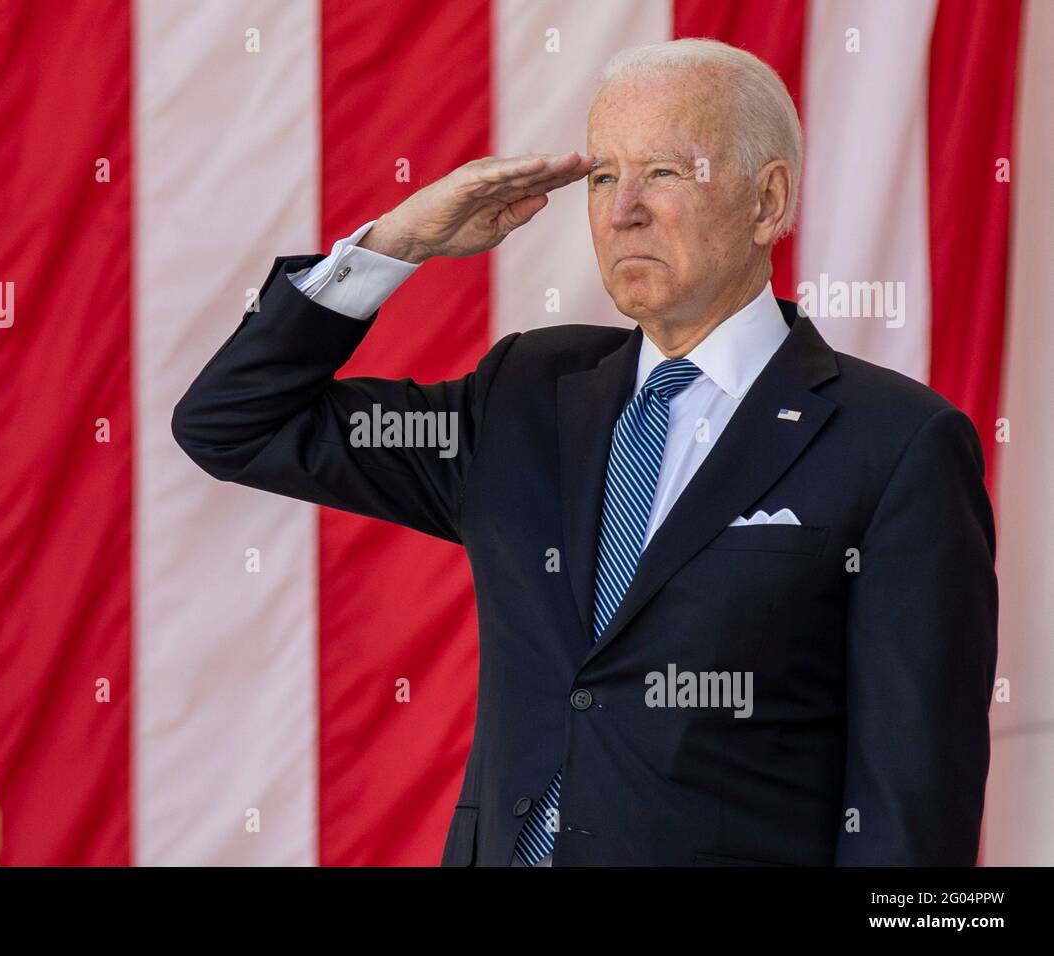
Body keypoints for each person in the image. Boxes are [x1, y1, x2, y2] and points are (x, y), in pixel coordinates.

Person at [172, 38, 998, 867]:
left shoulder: (897, 445)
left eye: (666, 173)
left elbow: (914, 808)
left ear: (766, 201)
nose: (622, 209)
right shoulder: (526, 393)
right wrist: (397, 244)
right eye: (604, 176)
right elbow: (233, 423)